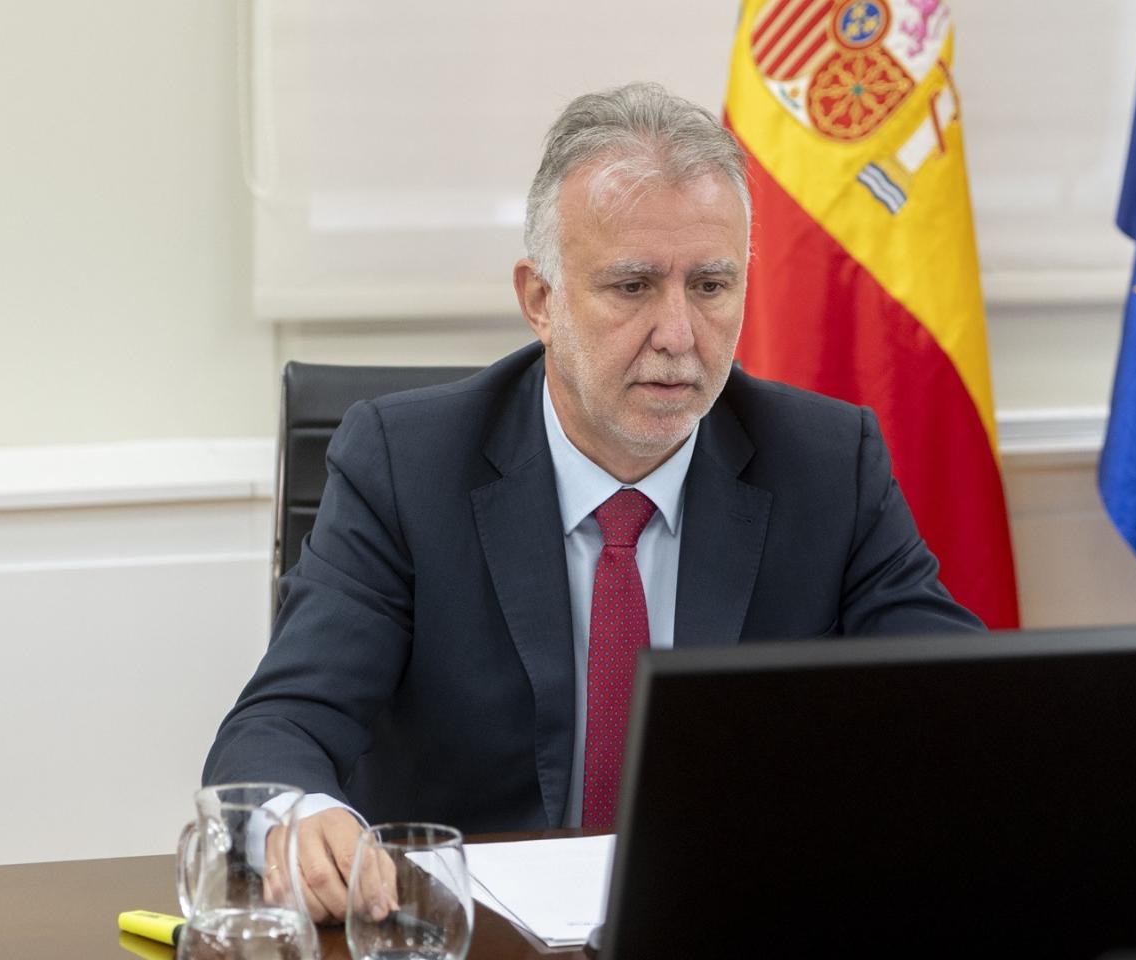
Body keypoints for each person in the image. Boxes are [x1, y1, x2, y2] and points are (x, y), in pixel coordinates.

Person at [203, 82, 984, 922]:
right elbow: (275, 730)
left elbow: (966, 707)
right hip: (462, 936)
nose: (679, 334)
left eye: (712, 285)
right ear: (540, 298)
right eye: (633, 286)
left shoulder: (828, 465)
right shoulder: (405, 466)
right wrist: (301, 819)